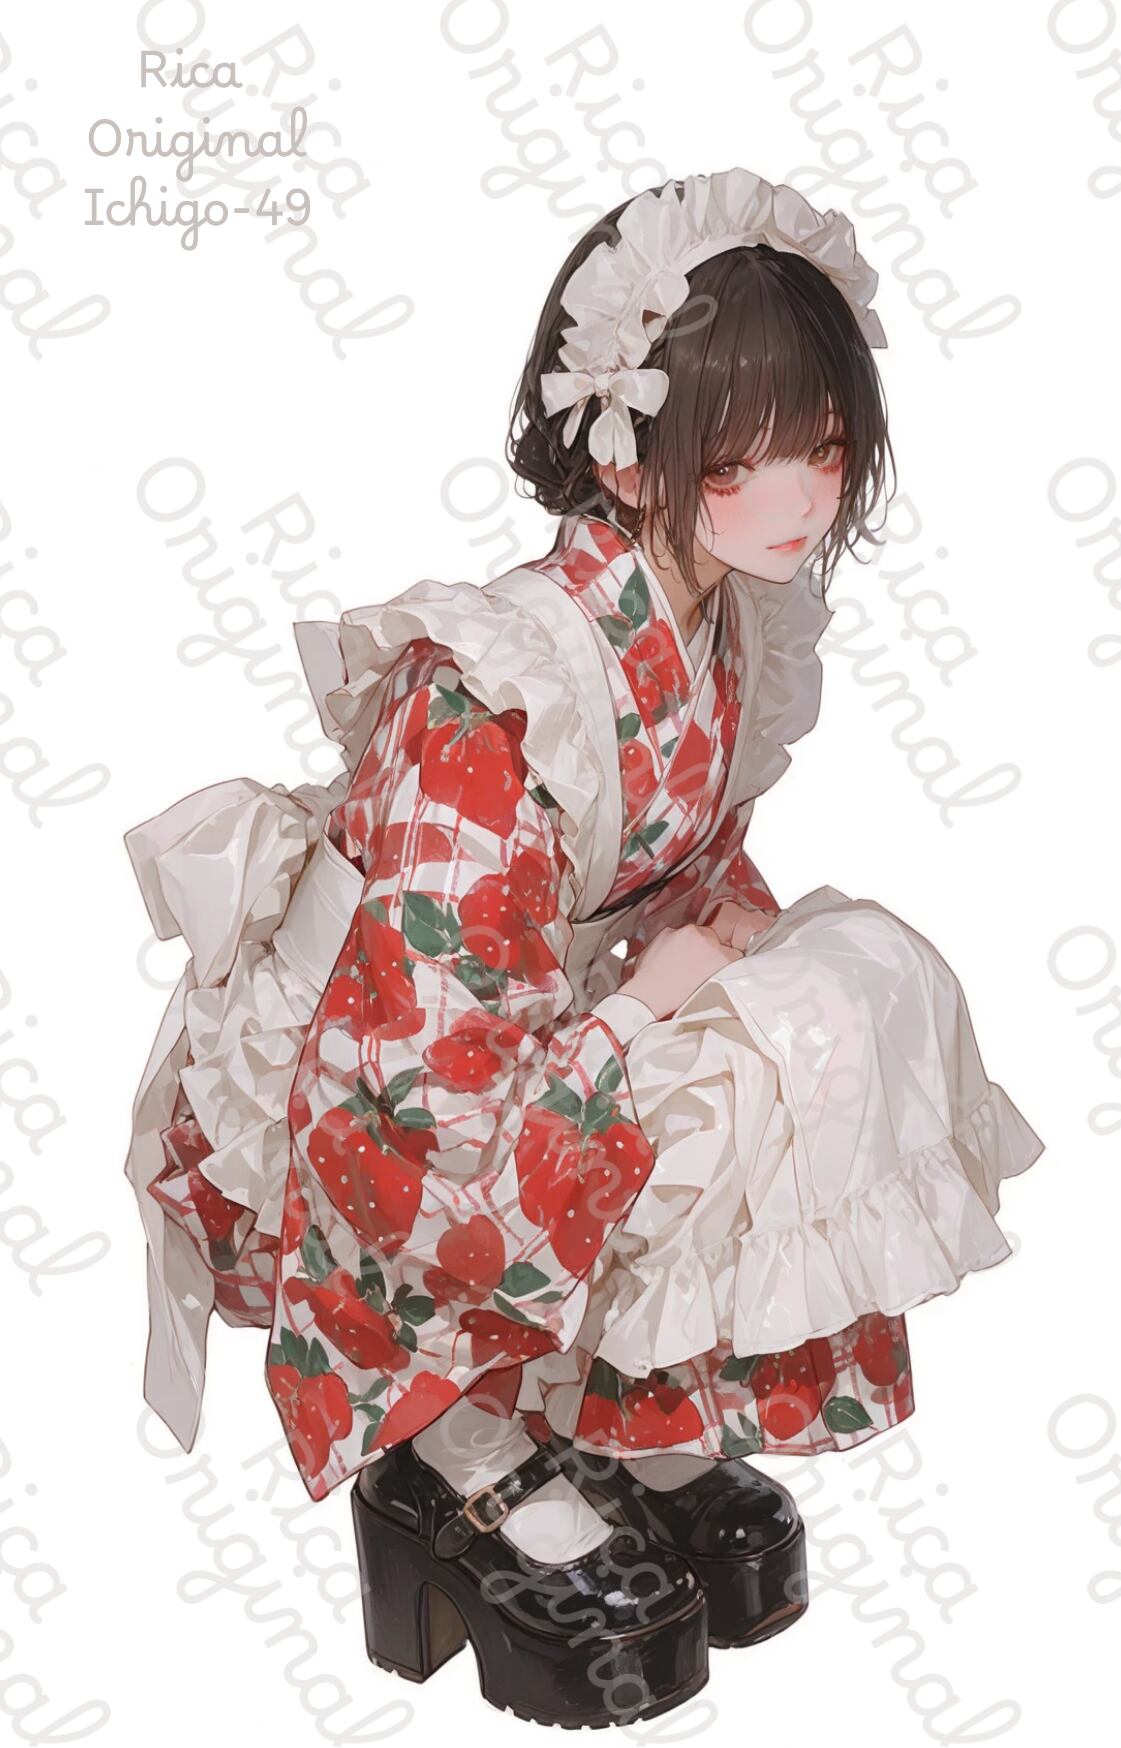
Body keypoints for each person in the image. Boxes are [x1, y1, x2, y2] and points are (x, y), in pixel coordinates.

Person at [123, 168, 1044, 1728]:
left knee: (854, 986)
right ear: (627, 452)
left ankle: (599, 1389)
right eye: (743, 456)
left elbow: (682, 864)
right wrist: (647, 1010)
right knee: (737, 1041)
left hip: (535, 1025)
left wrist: (704, 956)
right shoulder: (498, 692)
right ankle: (451, 1444)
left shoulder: (728, 625)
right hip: (381, 1089)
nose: (803, 494)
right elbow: (416, 1050)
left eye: (825, 446)